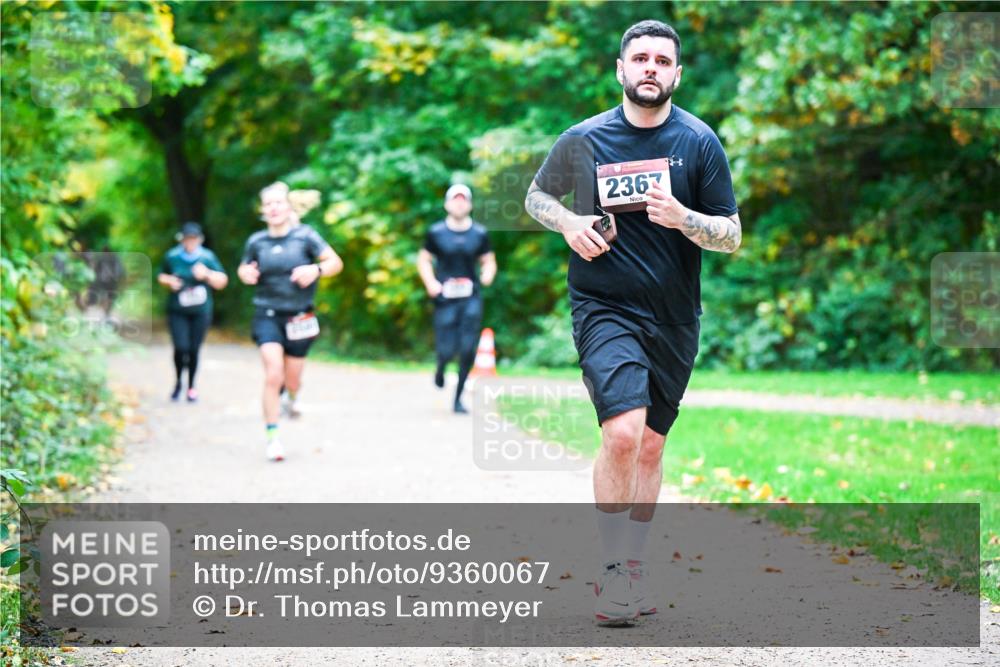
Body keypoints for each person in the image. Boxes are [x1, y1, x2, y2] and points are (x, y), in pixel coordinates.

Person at [524, 20, 741, 625]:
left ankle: (634, 564)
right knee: (622, 432)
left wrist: (684, 216)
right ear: (621, 69)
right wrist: (568, 224)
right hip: (603, 306)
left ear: (677, 73)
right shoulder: (583, 138)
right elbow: (537, 198)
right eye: (639, 57)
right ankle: (613, 573)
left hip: (674, 315)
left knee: (650, 444)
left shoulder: (698, 142)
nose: (650, 67)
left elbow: (731, 234)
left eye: (661, 60)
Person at [237, 182, 343, 461]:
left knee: (292, 380)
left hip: (300, 317)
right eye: (268, 204)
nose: (273, 208)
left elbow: (335, 262)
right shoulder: (257, 241)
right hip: (267, 314)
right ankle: (273, 437)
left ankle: (291, 398)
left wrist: (315, 269)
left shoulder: (305, 236)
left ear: (288, 207)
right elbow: (245, 267)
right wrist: (244, 273)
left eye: (278, 203)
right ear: (263, 210)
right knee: (274, 374)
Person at [417, 184, 497, 414]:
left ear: (470, 205)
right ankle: (441, 366)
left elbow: (488, 260)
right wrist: (431, 283)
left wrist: (488, 273)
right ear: (447, 204)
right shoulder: (436, 232)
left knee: (467, 348)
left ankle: (458, 399)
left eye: (464, 200)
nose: (460, 203)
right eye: (455, 199)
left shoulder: (479, 233)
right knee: (445, 349)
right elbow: (423, 260)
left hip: (470, 297)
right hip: (444, 298)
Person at [157, 222, 229, 402]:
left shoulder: (207, 257)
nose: (191, 242)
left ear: (200, 240)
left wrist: (206, 275)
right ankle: (178, 383)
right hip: (177, 310)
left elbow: (222, 280)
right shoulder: (172, 256)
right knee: (181, 348)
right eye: (187, 239)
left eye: (194, 239)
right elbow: (160, 275)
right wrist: (169, 281)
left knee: (194, 349)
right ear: (182, 239)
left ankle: (191, 387)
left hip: (201, 311)